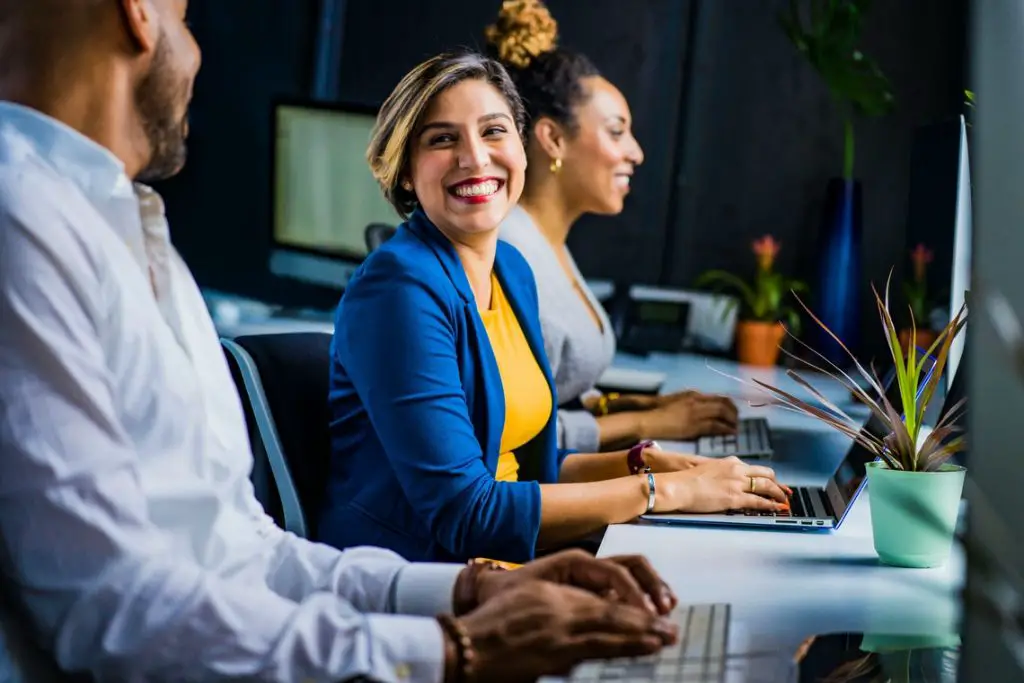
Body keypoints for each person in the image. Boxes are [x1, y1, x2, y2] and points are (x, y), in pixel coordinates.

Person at [0, 1, 685, 681]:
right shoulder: (24, 218)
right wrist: (451, 647)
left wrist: (467, 596)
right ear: (139, 14)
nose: (200, 49)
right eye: (186, 16)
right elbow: (116, 610)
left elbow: (248, 551)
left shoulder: (129, 229)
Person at [322, 49, 789, 565]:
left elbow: (529, 470)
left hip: (505, 565)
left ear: (522, 148)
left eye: (494, 131)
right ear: (407, 172)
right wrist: (665, 492)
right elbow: (466, 512)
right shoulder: (398, 289)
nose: (475, 157)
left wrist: (644, 465)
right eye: (442, 139)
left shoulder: (512, 270)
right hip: (418, 580)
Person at [488, 0, 741, 453]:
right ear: (553, 138)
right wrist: (650, 423)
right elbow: (512, 436)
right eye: (616, 131)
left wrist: (636, 407)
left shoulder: (547, 243)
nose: (636, 153)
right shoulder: (510, 254)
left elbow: (555, 393)